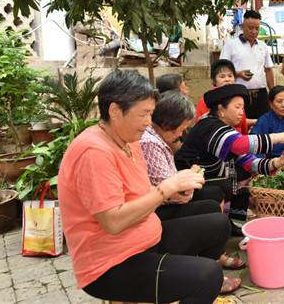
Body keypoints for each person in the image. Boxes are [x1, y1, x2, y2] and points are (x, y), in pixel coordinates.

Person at [58, 70, 229, 304]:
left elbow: (141, 189)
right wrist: (165, 189)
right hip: (111, 262)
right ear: (115, 111)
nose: (149, 122)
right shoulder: (94, 152)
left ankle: (174, 284)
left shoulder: (129, 140)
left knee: (218, 224)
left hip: (145, 238)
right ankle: (182, 284)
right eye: (144, 114)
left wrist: (173, 192)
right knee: (208, 275)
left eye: (150, 113)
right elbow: (113, 221)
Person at [140, 90, 243, 292]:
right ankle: (207, 272)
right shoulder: (149, 142)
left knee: (214, 199)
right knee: (218, 219)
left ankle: (210, 263)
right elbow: (170, 192)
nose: (182, 134)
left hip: (160, 202)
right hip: (155, 211)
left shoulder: (157, 139)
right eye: (182, 128)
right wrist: (185, 185)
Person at [175, 84, 284, 221]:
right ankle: (222, 222)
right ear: (221, 110)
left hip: (209, 178)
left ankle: (236, 225)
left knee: (242, 176)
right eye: (237, 107)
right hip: (188, 185)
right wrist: (277, 137)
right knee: (231, 183)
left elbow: (249, 162)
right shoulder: (209, 125)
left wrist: (278, 162)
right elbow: (239, 145)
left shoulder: (225, 128)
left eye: (243, 108)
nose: (241, 112)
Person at [220, 9, 274, 119]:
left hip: (261, 93)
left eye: (257, 28)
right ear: (243, 26)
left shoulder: (263, 46)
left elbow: (268, 70)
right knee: (241, 124)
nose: (254, 31)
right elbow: (222, 69)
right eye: (250, 28)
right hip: (238, 93)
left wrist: (272, 93)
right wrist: (238, 74)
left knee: (262, 124)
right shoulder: (231, 45)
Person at [195, 59, 250, 134]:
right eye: (222, 77)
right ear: (214, 80)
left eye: (230, 76)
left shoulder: (238, 97)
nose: (227, 79)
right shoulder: (207, 100)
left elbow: (242, 123)